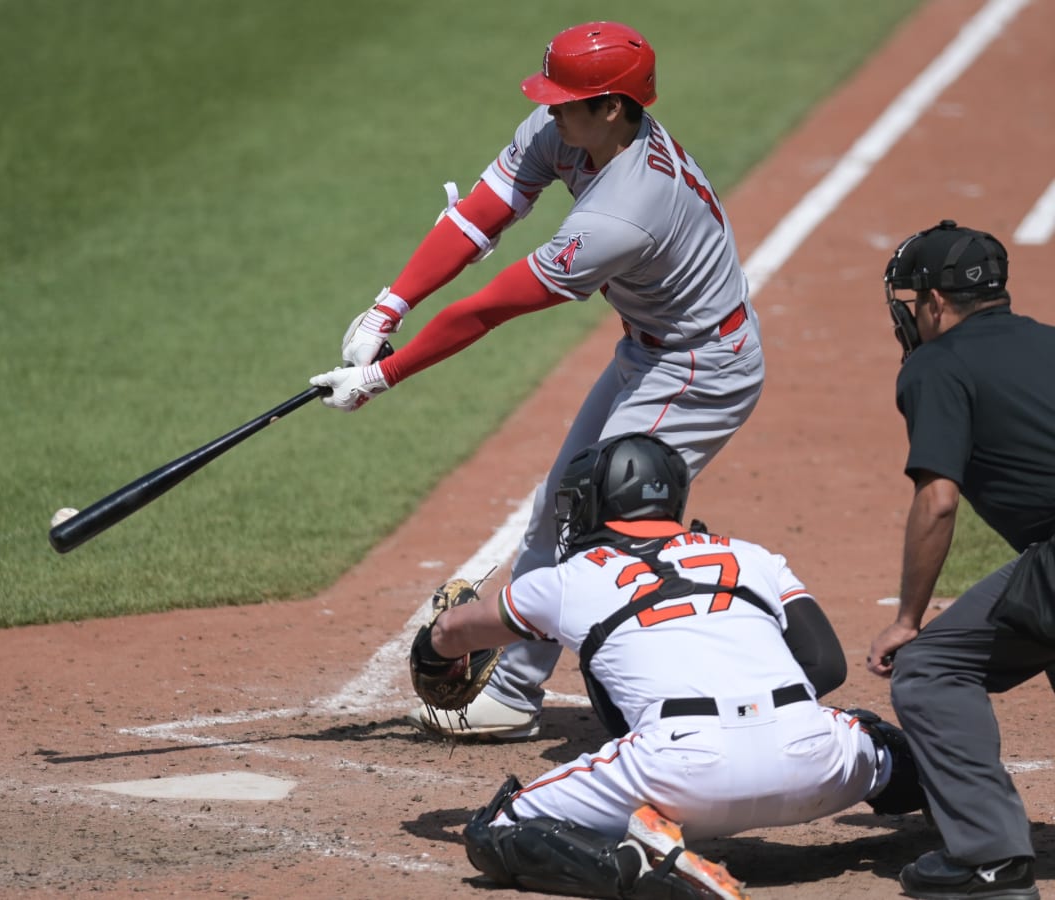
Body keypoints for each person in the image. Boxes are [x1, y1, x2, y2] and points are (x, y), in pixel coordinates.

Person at [310, 21, 764, 740]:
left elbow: (489, 309)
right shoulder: (575, 129)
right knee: (566, 499)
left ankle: (689, 675)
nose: (550, 112)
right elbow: (479, 217)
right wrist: (386, 307)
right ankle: (517, 694)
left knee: (602, 519)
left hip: (701, 365)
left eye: (566, 101)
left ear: (612, 107)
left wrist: (382, 377)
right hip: (649, 352)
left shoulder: (626, 210)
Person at [415, 432, 923, 899]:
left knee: (496, 830)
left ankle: (640, 864)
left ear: (597, 501)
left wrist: (433, 657)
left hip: (679, 774)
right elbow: (825, 664)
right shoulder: (751, 556)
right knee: (882, 743)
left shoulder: (565, 580)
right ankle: (971, 824)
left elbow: (452, 633)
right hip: (820, 764)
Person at [866, 220, 1054, 900]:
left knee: (929, 669)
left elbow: (938, 501)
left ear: (936, 302)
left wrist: (907, 619)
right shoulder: (1048, 341)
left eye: (913, 301)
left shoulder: (935, 364)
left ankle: (990, 862)